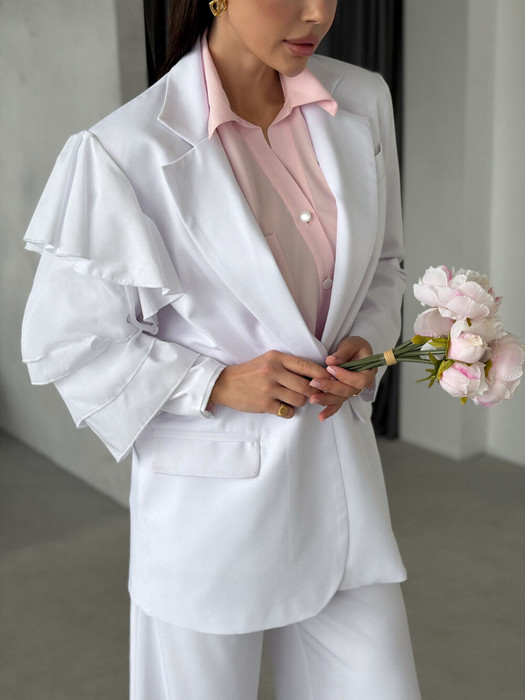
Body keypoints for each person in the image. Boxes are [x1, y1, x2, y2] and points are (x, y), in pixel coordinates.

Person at [21, 0, 421, 697]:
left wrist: (368, 341)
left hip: (342, 495)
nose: (317, 13)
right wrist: (215, 382)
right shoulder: (123, 150)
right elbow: (70, 342)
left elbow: (384, 263)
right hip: (208, 514)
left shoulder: (362, 99)